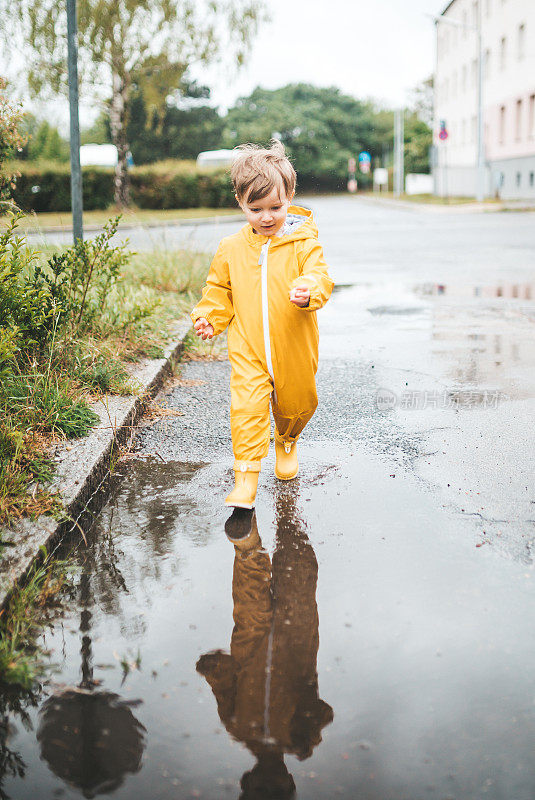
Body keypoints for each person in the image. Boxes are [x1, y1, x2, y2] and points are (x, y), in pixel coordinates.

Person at [191, 140, 334, 508]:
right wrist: (209, 316)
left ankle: (286, 440)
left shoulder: (303, 243)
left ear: (290, 197)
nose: (266, 217)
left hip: (294, 346)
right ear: (241, 202)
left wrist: (309, 290)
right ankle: (246, 477)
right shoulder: (231, 248)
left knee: (296, 401)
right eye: (255, 209)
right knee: (247, 408)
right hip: (248, 348)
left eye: (276, 207)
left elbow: (319, 275)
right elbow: (218, 289)